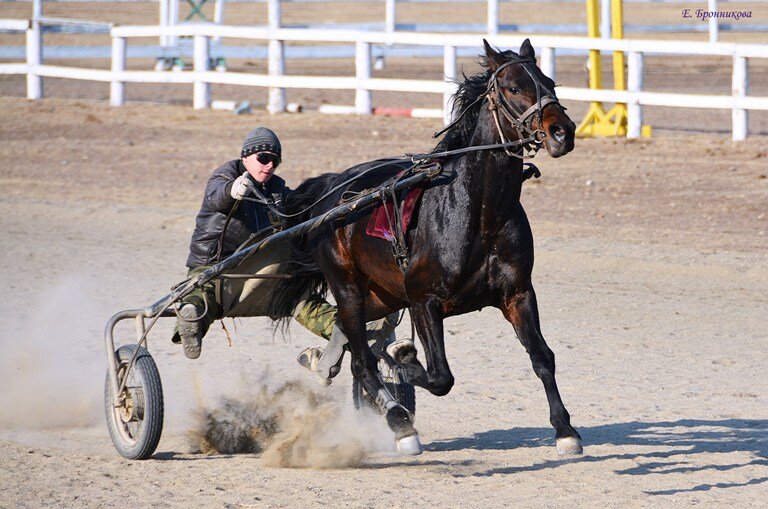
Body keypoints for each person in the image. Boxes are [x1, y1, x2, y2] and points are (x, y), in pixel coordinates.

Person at [173, 127, 397, 385]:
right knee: (202, 294)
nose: (269, 166)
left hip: (270, 275)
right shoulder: (226, 176)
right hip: (218, 266)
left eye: (275, 161)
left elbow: (301, 214)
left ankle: (349, 328)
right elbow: (216, 196)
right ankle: (191, 319)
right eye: (263, 159)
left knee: (303, 302)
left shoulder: (278, 190)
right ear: (246, 157)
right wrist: (233, 190)